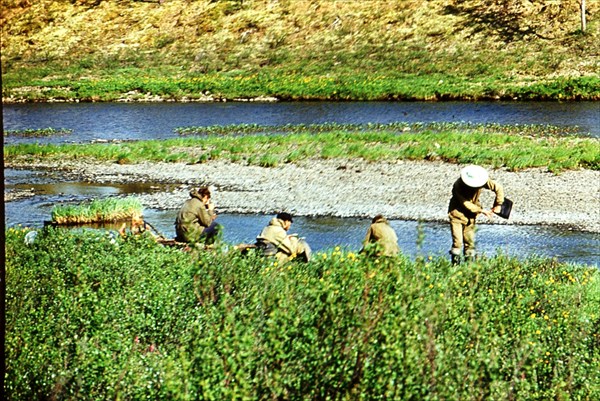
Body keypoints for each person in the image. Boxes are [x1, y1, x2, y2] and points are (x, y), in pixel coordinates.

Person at [448, 165, 504, 265]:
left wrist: (498, 204)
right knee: (458, 242)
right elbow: (465, 203)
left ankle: (468, 267)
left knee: (469, 243)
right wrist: (481, 211)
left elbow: (498, 188)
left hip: (471, 216)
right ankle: (455, 267)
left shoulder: (482, 180)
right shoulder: (458, 185)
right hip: (456, 215)